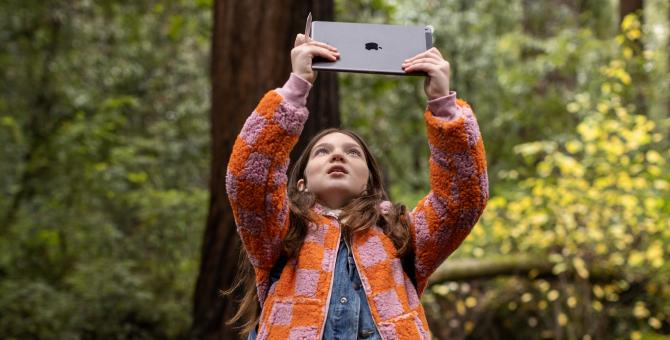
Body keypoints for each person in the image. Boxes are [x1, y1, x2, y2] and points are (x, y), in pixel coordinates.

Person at [225, 32, 488, 340]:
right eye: (322, 151)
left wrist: (443, 105)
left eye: (352, 152)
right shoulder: (281, 232)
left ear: (368, 184)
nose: (337, 154)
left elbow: (463, 200)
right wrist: (295, 88)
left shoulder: (401, 234)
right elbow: (247, 179)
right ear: (302, 182)